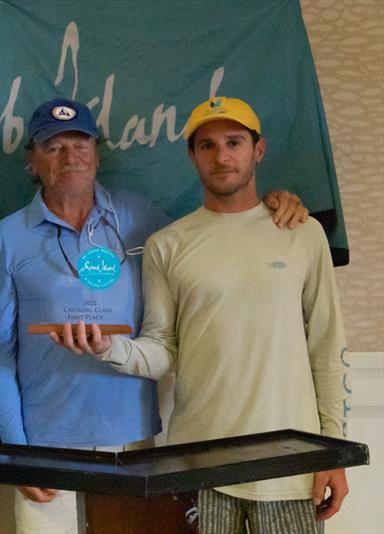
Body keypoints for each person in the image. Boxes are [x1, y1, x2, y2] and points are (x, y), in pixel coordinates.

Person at [0, 98, 309, 534]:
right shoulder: (7, 236)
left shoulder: (140, 217)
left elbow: (214, 234)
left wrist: (272, 205)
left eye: (81, 144)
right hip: (46, 443)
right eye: (53, 146)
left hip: (133, 438)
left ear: (98, 153)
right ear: (32, 159)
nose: (70, 157)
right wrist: (18, 454)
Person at [58, 97, 349, 533]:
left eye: (234, 142)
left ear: (259, 149)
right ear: (192, 156)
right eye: (207, 145)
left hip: (292, 467)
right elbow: (162, 348)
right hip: (198, 465)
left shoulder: (301, 233)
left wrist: (336, 454)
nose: (222, 156)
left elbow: (326, 346)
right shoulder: (167, 244)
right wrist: (107, 348)